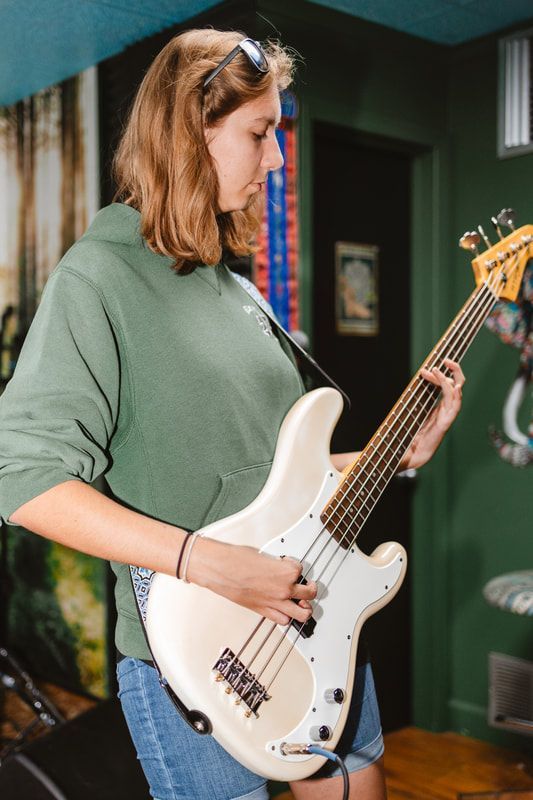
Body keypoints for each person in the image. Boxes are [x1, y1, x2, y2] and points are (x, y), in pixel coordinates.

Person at [0, 28, 465, 800]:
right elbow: (21, 476)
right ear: (189, 132)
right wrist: (212, 565)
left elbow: (265, 479)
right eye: (259, 134)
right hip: (196, 661)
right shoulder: (101, 276)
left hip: (314, 625)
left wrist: (396, 454)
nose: (277, 160)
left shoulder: (233, 288)